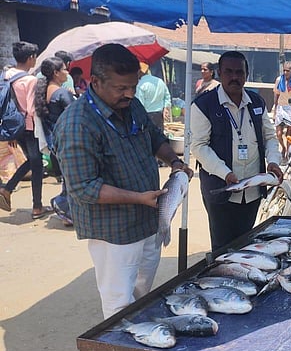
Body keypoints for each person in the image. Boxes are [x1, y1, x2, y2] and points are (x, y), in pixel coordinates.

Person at [53, 43, 193, 321]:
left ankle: (138, 332)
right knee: (118, 299)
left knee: (142, 292)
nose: (129, 94)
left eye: (133, 86)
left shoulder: (133, 106)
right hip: (114, 231)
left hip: (148, 220)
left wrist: (174, 162)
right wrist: (138, 198)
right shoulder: (77, 124)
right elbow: (83, 188)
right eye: (121, 88)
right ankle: (123, 343)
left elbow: (154, 137)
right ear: (95, 82)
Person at [191, 51, 283, 252]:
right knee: (222, 248)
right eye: (229, 72)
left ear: (246, 74)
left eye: (239, 72)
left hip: (252, 191)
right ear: (219, 73)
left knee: (245, 243)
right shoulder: (204, 105)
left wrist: (273, 161)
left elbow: (269, 137)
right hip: (221, 189)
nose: (234, 77)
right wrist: (226, 173)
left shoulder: (256, 102)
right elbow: (199, 147)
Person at [0, 41, 53, 220]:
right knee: (36, 164)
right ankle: (36, 207)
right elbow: (32, 109)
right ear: (31, 58)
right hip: (29, 127)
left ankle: (8, 190)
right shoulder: (30, 80)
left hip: (14, 126)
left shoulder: (6, 75)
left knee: (33, 161)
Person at [34, 57, 76, 226]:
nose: (67, 72)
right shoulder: (61, 93)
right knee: (73, 178)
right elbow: (74, 115)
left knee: (68, 177)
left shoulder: (46, 92)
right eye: (64, 69)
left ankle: (67, 212)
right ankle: (62, 205)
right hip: (67, 141)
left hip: (55, 142)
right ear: (56, 73)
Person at [135, 62, 171, 132]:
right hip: (159, 115)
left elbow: (139, 104)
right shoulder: (160, 81)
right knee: (159, 135)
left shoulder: (140, 85)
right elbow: (167, 96)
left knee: (148, 136)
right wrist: (166, 108)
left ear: (139, 72)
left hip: (147, 115)